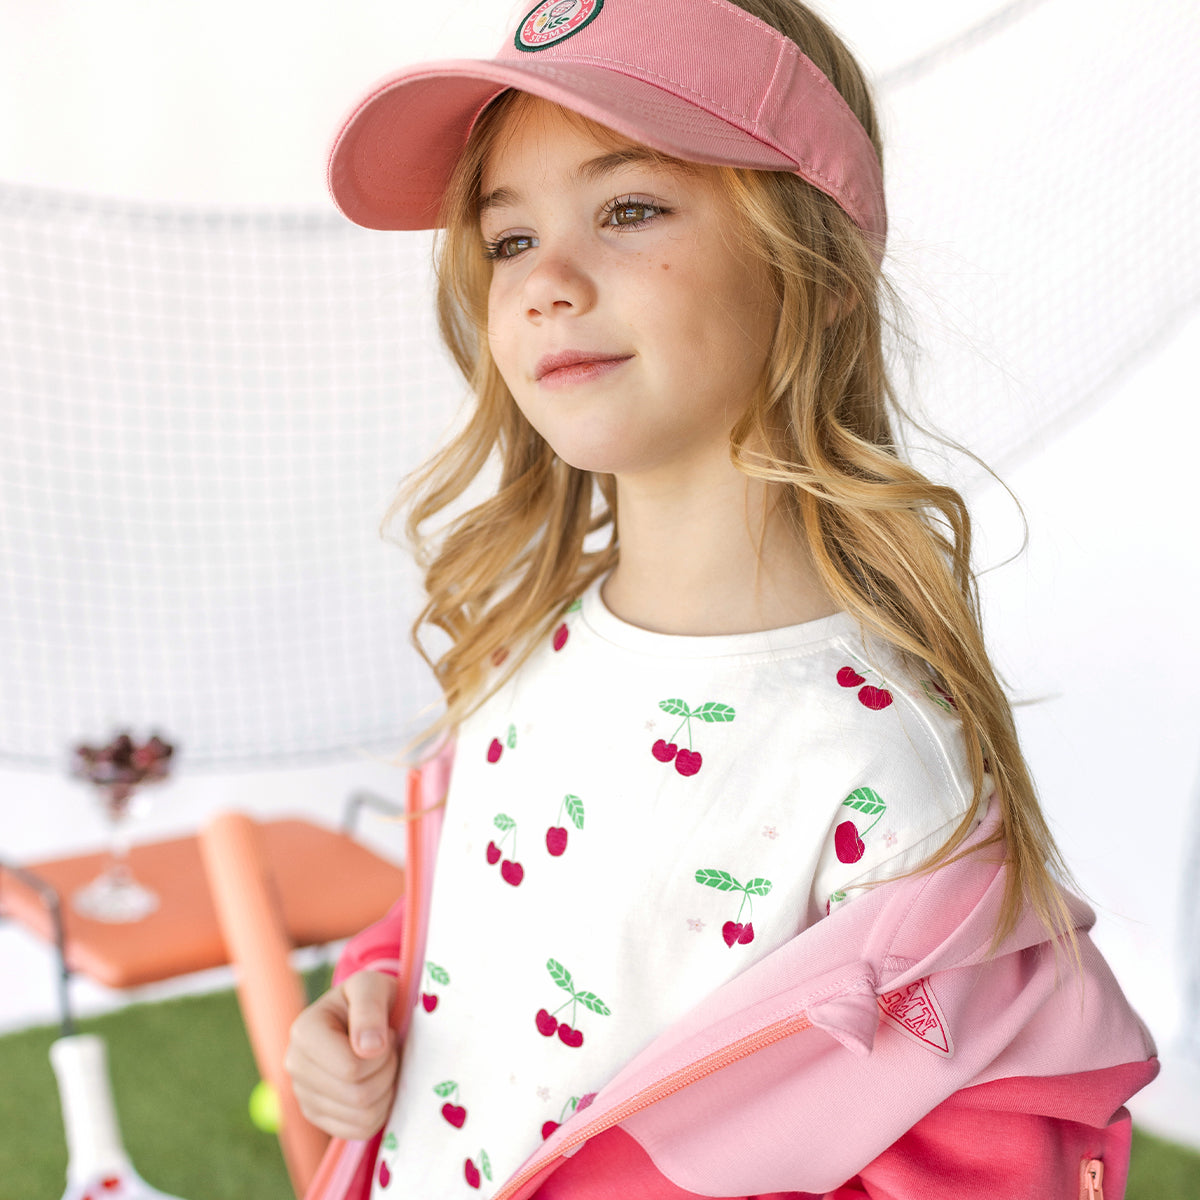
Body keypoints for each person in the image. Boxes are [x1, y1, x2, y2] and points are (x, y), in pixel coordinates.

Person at [285, 0, 1158, 1195]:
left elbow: (990, 1157)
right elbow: (489, 932)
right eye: (510, 239)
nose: (546, 283)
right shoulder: (517, 651)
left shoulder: (886, 773)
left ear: (819, 267)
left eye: (629, 209)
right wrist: (373, 997)